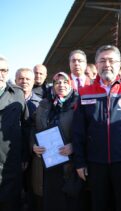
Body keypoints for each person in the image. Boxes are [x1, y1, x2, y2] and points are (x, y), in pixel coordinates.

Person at [72, 45, 121, 211]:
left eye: (111, 60)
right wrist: (79, 162)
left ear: (119, 64)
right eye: (102, 60)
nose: (107, 64)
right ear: (96, 64)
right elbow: (78, 131)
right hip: (95, 163)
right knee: (99, 204)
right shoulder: (84, 93)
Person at [31, 72, 79, 211]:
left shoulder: (78, 103)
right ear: (53, 86)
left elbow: (86, 130)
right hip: (47, 163)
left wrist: (73, 146)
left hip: (69, 164)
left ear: (70, 84)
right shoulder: (44, 104)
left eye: (65, 82)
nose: (61, 85)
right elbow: (33, 128)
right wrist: (33, 145)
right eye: (57, 82)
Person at [0, 57, 29, 211]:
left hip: (11, 163)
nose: (0, 74)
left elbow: (25, 125)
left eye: (3, 70)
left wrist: (24, 155)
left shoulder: (17, 94)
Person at [15, 68, 41, 210]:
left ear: (33, 82)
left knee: (32, 190)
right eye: (21, 78)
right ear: (15, 80)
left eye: (27, 79)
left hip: (34, 155)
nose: (24, 82)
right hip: (12, 154)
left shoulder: (41, 103)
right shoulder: (7, 101)